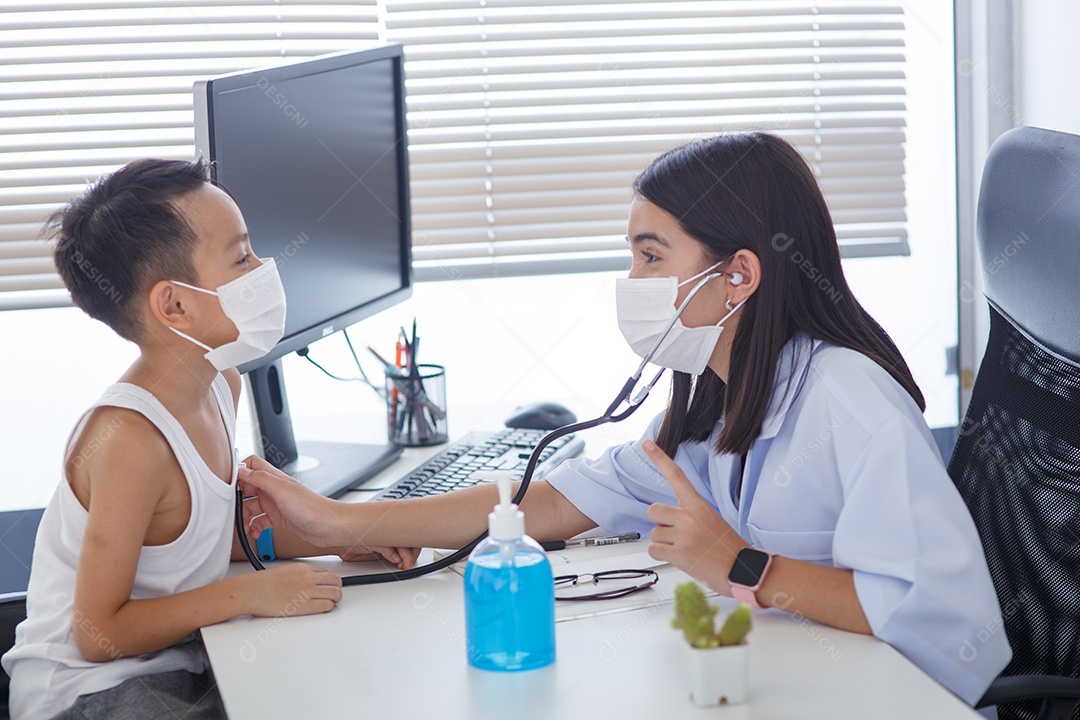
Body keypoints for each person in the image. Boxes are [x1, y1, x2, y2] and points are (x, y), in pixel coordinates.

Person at [238, 132, 1012, 707]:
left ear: (739, 273)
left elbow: (936, 616)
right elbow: (553, 500)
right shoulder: (713, 389)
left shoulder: (851, 402)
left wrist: (745, 566)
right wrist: (343, 526)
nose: (633, 280)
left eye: (651, 256)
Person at [2, 158, 413, 720]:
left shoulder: (222, 382)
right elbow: (98, 634)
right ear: (175, 305)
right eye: (241, 257)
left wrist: (332, 540)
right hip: (86, 692)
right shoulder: (130, 439)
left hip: (179, 664)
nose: (265, 267)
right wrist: (251, 594)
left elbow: (200, 541)